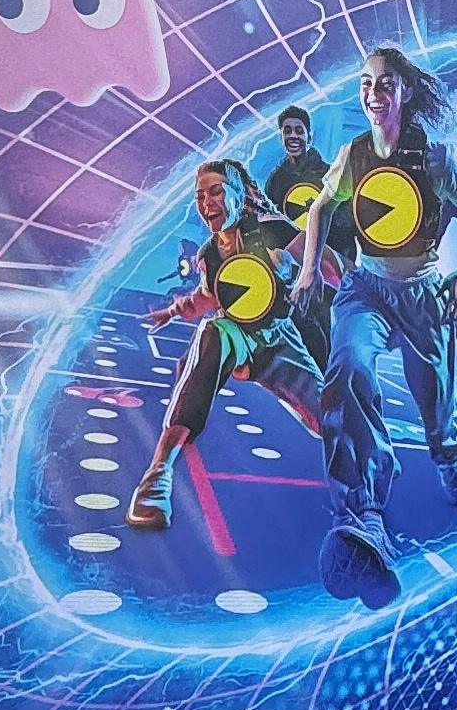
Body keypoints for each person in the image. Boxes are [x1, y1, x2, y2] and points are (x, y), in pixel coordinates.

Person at [296, 44, 457, 606]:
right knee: (349, 369)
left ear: (404, 92)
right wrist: (309, 268)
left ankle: (447, 455)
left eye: (384, 84)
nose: (373, 94)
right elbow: (320, 206)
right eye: (365, 84)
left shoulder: (435, 158)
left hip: (424, 292)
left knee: (436, 401)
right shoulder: (354, 155)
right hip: (366, 288)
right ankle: (363, 514)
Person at [125, 160, 327, 531]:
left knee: (332, 420)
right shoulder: (209, 255)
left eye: (216, 191)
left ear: (238, 194)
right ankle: (157, 476)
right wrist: (175, 310)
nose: (207, 203)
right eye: (200, 196)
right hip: (236, 333)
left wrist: (301, 271)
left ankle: (370, 463)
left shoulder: (270, 228)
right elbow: (208, 296)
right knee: (212, 332)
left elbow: (322, 261)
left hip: (279, 337)